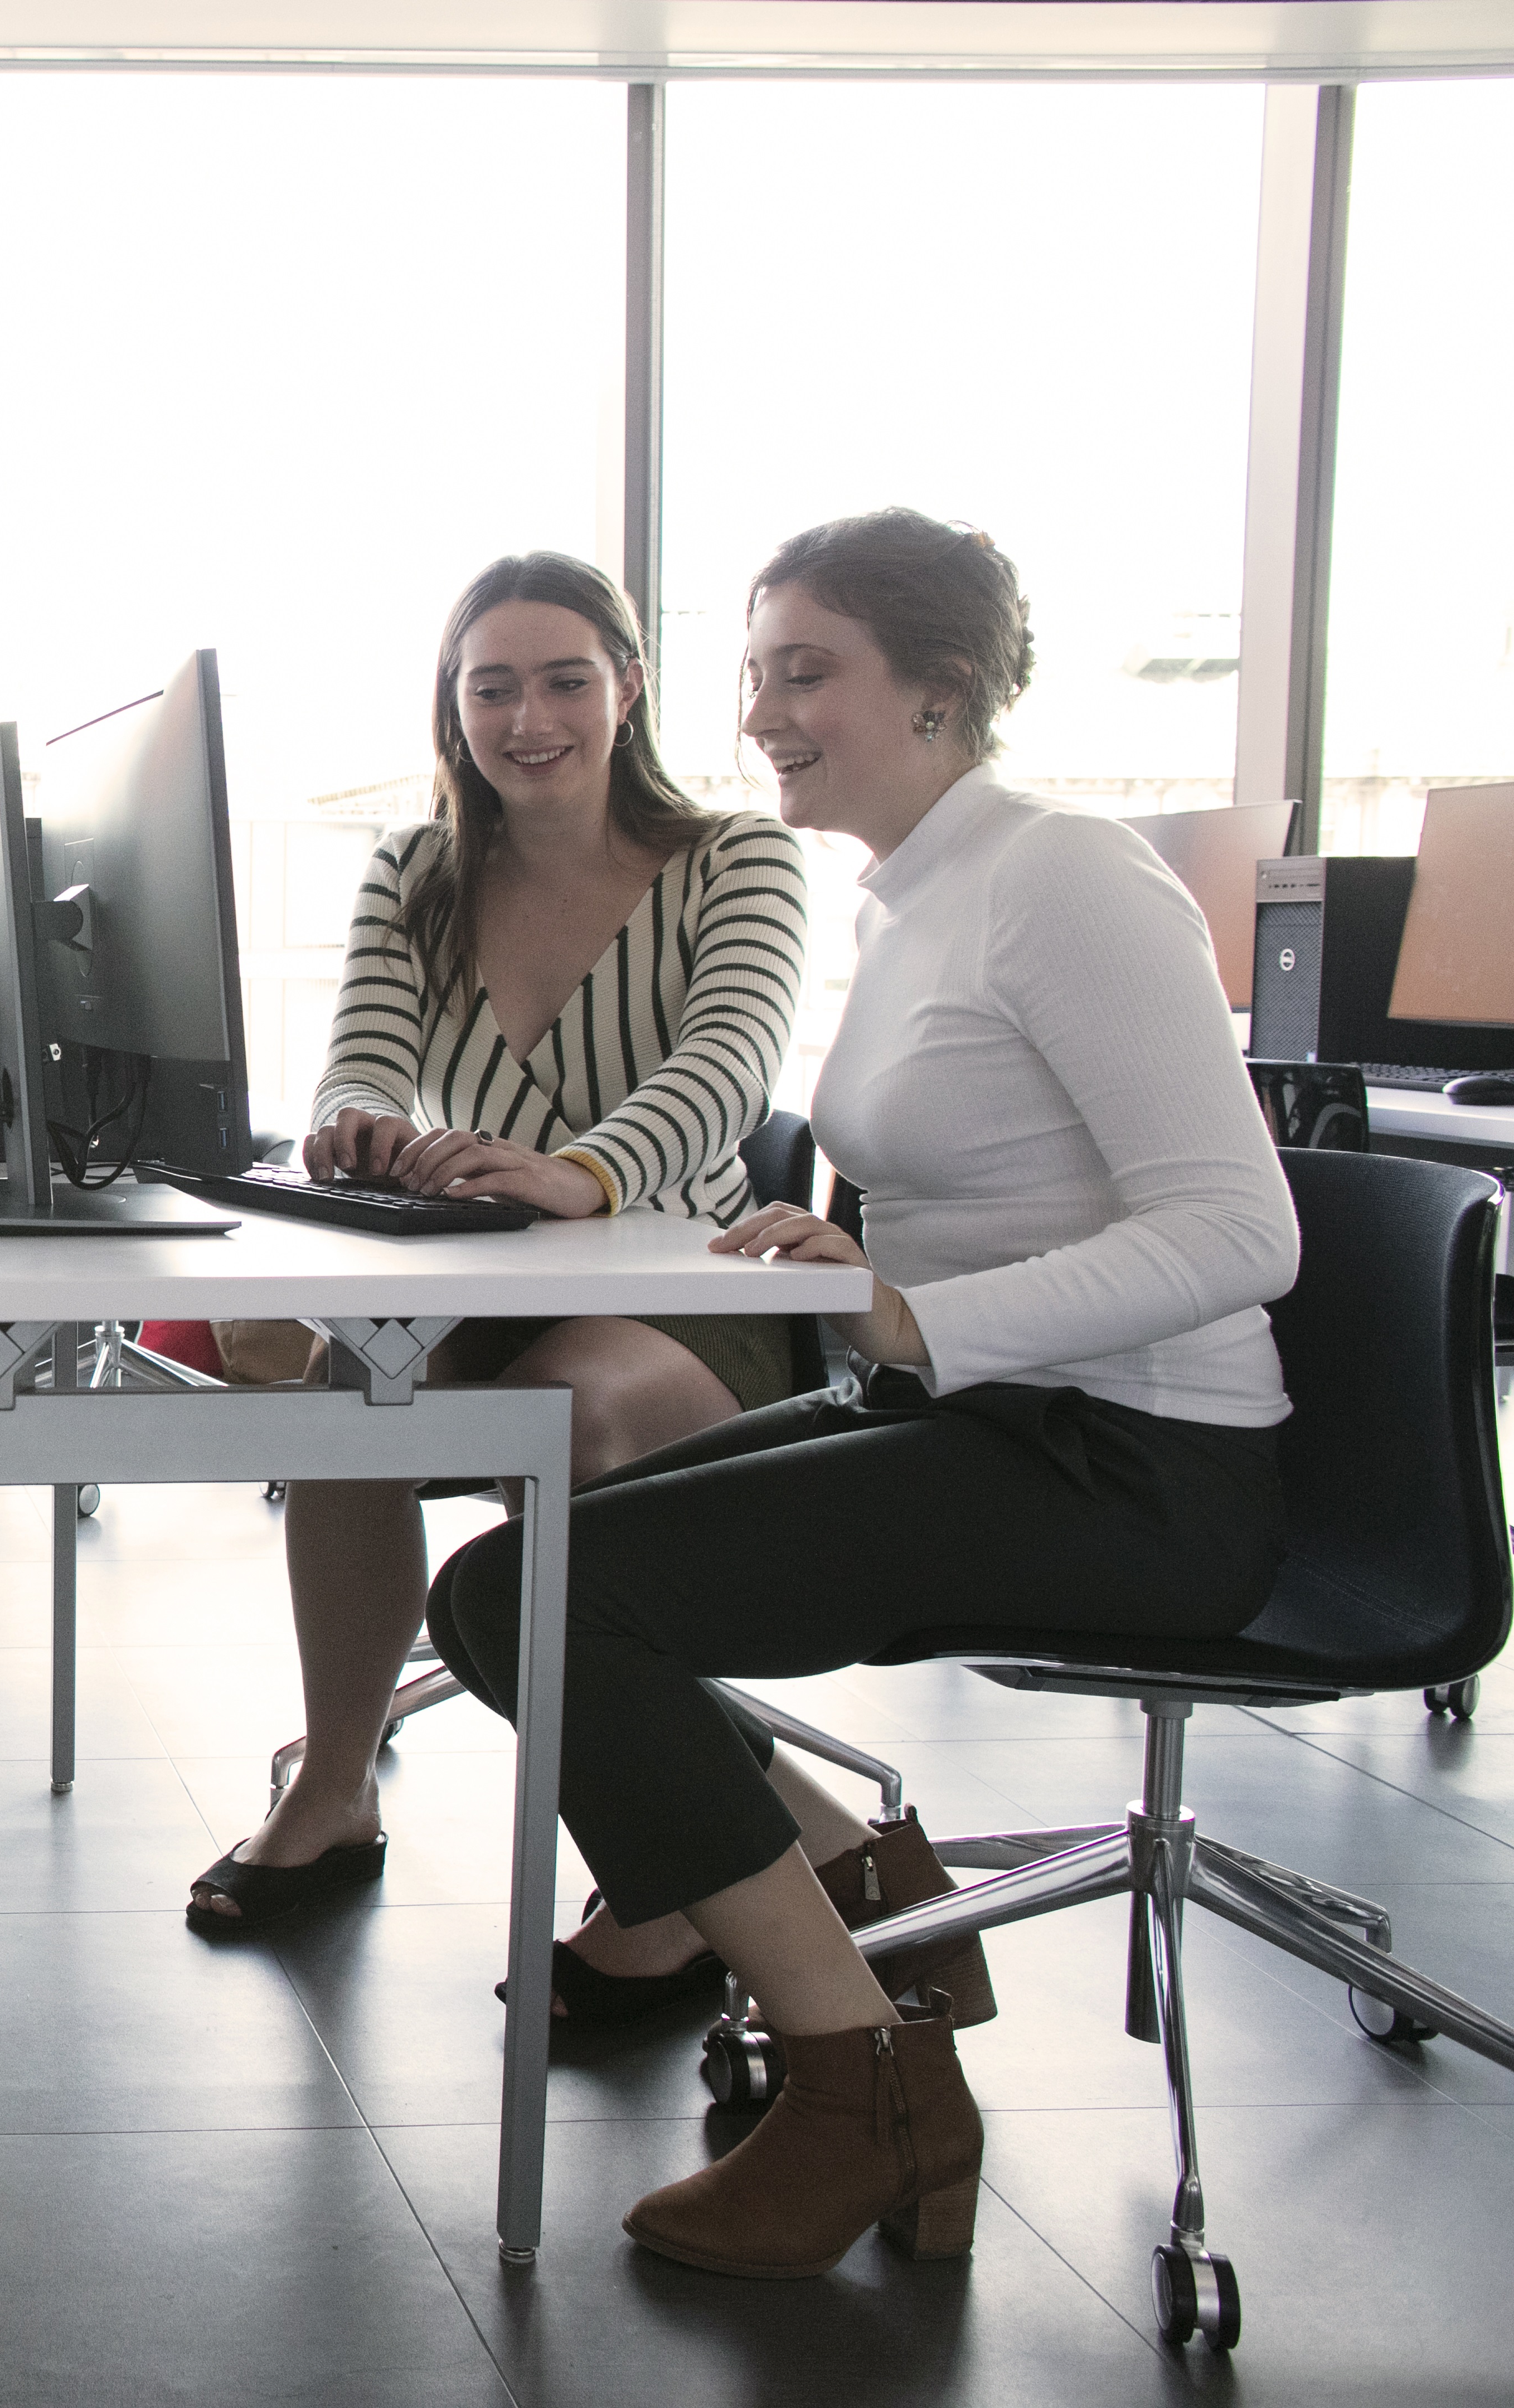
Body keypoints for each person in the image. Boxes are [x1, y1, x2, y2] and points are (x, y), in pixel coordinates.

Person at [426, 509, 1295, 2279]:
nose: (760, 713)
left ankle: (866, 2090)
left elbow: (1240, 1230)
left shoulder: (1065, 878)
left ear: (940, 690)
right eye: (757, 673)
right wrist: (855, 1260)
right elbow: (998, 1182)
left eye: (806, 673)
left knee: (540, 1603)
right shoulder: (917, 894)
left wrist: (913, 1315)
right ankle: (863, 1900)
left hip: (1133, 1464)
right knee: (514, 1588)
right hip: (986, 1415)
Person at [187, 552, 814, 1942]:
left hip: (694, 1286)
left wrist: (579, 1174)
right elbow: (362, 1056)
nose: (529, 719)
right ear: (454, 706)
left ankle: (669, 1863)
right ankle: (335, 1789)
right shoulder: (415, 870)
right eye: (493, 689)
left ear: (629, 688)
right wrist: (357, 1123)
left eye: (565, 682)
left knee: (568, 1409)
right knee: (347, 1401)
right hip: (485, 1278)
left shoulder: (737, 859)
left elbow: (730, 1067)